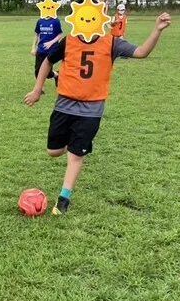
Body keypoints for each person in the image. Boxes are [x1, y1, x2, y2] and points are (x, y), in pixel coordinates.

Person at [23, 13, 172, 214]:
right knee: (54, 151)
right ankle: (76, 144)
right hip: (63, 105)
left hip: (91, 110)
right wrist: (36, 90)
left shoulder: (111, 43)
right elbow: (48, 62)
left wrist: (157, 30)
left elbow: (141, 52)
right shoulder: (70, 41)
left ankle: (63, 199)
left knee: (75, 155)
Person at [31, 14, 63, 91]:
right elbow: (36, 34)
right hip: (40, 49)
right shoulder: (40, 21)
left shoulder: (56, 21)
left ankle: (56, 75)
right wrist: (33, 47)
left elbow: (59, 35)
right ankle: (41, 88)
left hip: (51, 50)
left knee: (47, 73)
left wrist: (51, 43)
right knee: (37, 70)